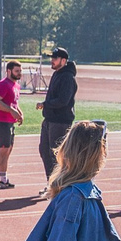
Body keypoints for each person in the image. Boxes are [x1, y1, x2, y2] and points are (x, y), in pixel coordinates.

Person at [36, 47, 79, 178]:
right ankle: (51, 183)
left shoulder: (67, 77)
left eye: (55, 58)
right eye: (52, 58)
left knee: (56, 154)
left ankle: (58, 183)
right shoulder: (57, 74)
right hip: (50, 119)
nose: (52, 61)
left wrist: (45, 104)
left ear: (63, 60)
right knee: (44, 150)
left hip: (60, 122)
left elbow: (63, 100)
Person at [0, 60, 24, 190]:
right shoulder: (3, 84)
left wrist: (19, 113)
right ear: (9, 71)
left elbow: (14, 102)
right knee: (3, 149)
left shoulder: (16, 85)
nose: (19, 73)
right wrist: (10, 110)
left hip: (9, 122)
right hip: (0, 121)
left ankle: (3, 179)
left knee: (8, 150)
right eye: (16, 71)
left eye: (20, 71)